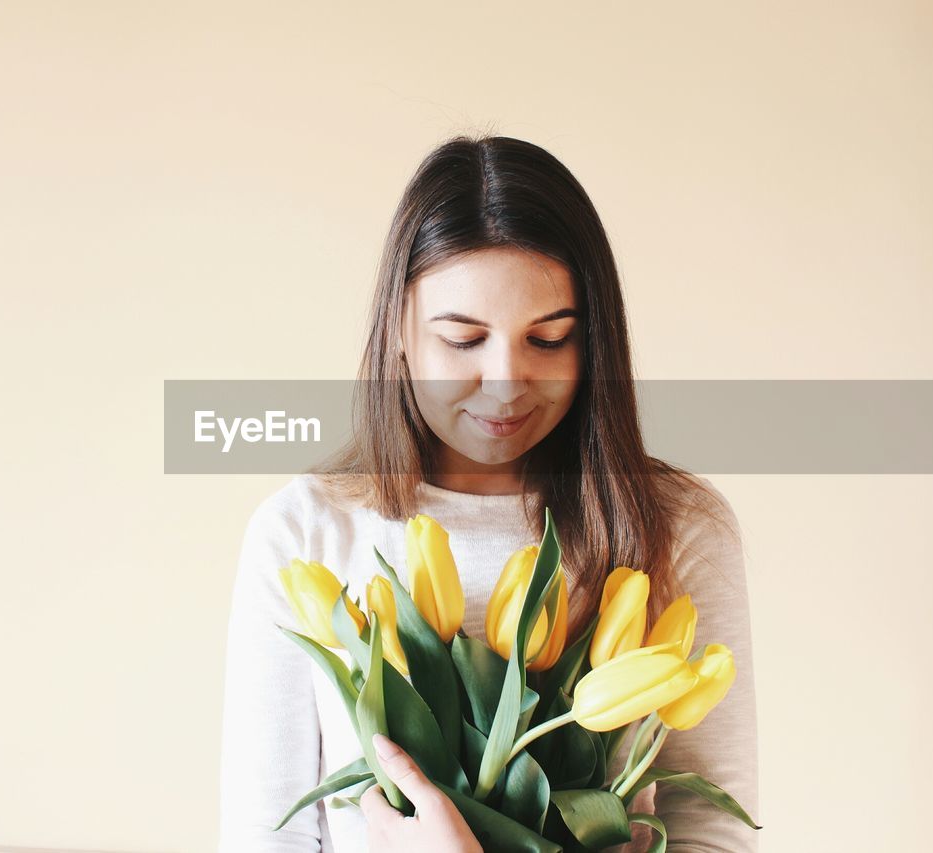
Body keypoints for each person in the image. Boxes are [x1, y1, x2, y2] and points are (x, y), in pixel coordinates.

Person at [217, 135, 759, 852]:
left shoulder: (676, 525)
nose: (505, 383)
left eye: (549, 338)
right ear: (400, 330)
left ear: (592, 341)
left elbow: (714, 837)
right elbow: (266, 839)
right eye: (463, 339)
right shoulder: (306, 533)